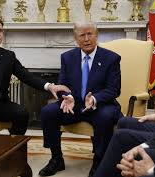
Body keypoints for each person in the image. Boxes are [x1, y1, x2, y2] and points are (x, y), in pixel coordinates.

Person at [0, 17, 70, 135]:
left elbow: (26, 76)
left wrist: (50, 86)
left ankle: (15, 149)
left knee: (22, 113)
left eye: (0, 30)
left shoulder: (8, 56)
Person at [39, 21, 122, 177]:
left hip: (100, 105)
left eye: (90, 34)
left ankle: (99, 160)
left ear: (97, 35)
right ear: (76, 38)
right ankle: (56, 158)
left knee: (105, 117)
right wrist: (68, 96)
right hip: (75, 104)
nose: (86, 39)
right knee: (48, 112)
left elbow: (113, 90)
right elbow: (63, 84)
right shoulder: (67, 57)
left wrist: (95, 99)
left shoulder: (111, 58)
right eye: (82, 35)